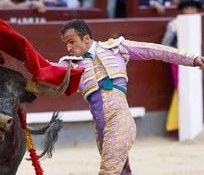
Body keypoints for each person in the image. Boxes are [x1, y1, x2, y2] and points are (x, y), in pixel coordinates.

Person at [53, 19, 204, 175]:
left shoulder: (115, 48)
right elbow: (46, 69)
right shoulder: (71, 65)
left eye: (72, 41)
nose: (68, 47)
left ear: (86, 39)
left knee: (109, 171)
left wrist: (192, 59)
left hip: (119, 119)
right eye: (66, 43)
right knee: (122, 171)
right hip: (101, 126)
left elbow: (154, 50)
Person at [161, 0, 202, 134]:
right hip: (180, 62)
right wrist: (181, 55)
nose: (191, 11)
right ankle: (178, 126)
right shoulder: (175, 24)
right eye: (188, 8)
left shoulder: (200, 22)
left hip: (200, 59)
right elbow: (165, 45)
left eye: (193, 8)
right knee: (182, 90)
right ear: (181, 10)